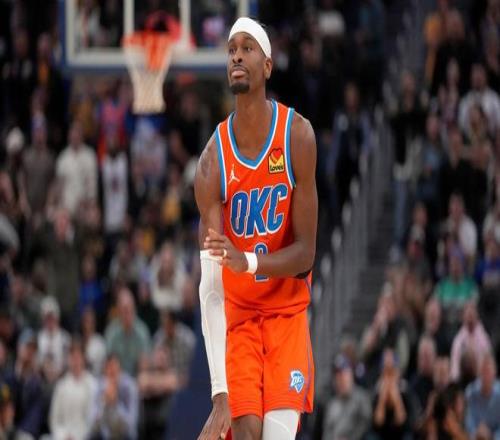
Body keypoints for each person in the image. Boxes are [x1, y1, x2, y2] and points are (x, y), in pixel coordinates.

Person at [195, 17, 318, 440]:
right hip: (242, 320)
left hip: (286, 314)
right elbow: (211, 287)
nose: (236, 56)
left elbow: (305, 256)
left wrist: (247, 261)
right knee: (244, 431)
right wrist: (219, 393)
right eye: (231, 49)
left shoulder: (297, 136)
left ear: (267, 65)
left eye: (247, 48)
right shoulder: (212, 162)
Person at [49, 338, 96, 440]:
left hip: (84, 435)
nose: (75, 361)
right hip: (62, 435)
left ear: (84, 359)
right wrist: (63, 435)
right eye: (72, 357)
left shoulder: (92, 384)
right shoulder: (61, 385)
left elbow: (91, 419)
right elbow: (54, 419)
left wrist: (76, 437)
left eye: (78, 357)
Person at [322, 355, 372, 440]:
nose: (341, 379)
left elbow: (366, 424)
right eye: (338, 375)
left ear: (351, 375)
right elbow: (326, 432)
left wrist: (350, 438)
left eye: (344, 374)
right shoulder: (332, 403)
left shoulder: (361, 397)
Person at [104, 288, 151, 376]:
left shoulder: (142, 330)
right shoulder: (111, 332)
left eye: (130, 309)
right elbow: (109, 361)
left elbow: (145, 362)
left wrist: (143, 366)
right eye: (125, 310)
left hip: (138, 377)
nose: (128, 313)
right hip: (118, 376)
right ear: (118, 310)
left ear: (134, 308)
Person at [465, 352, 500, 439]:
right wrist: (476, 433)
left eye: (488, 371)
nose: (486, 375)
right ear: (479, 372)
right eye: (484, 370)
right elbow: (468, 420)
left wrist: (492, 436)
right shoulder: (471, 392)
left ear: (494, 372)